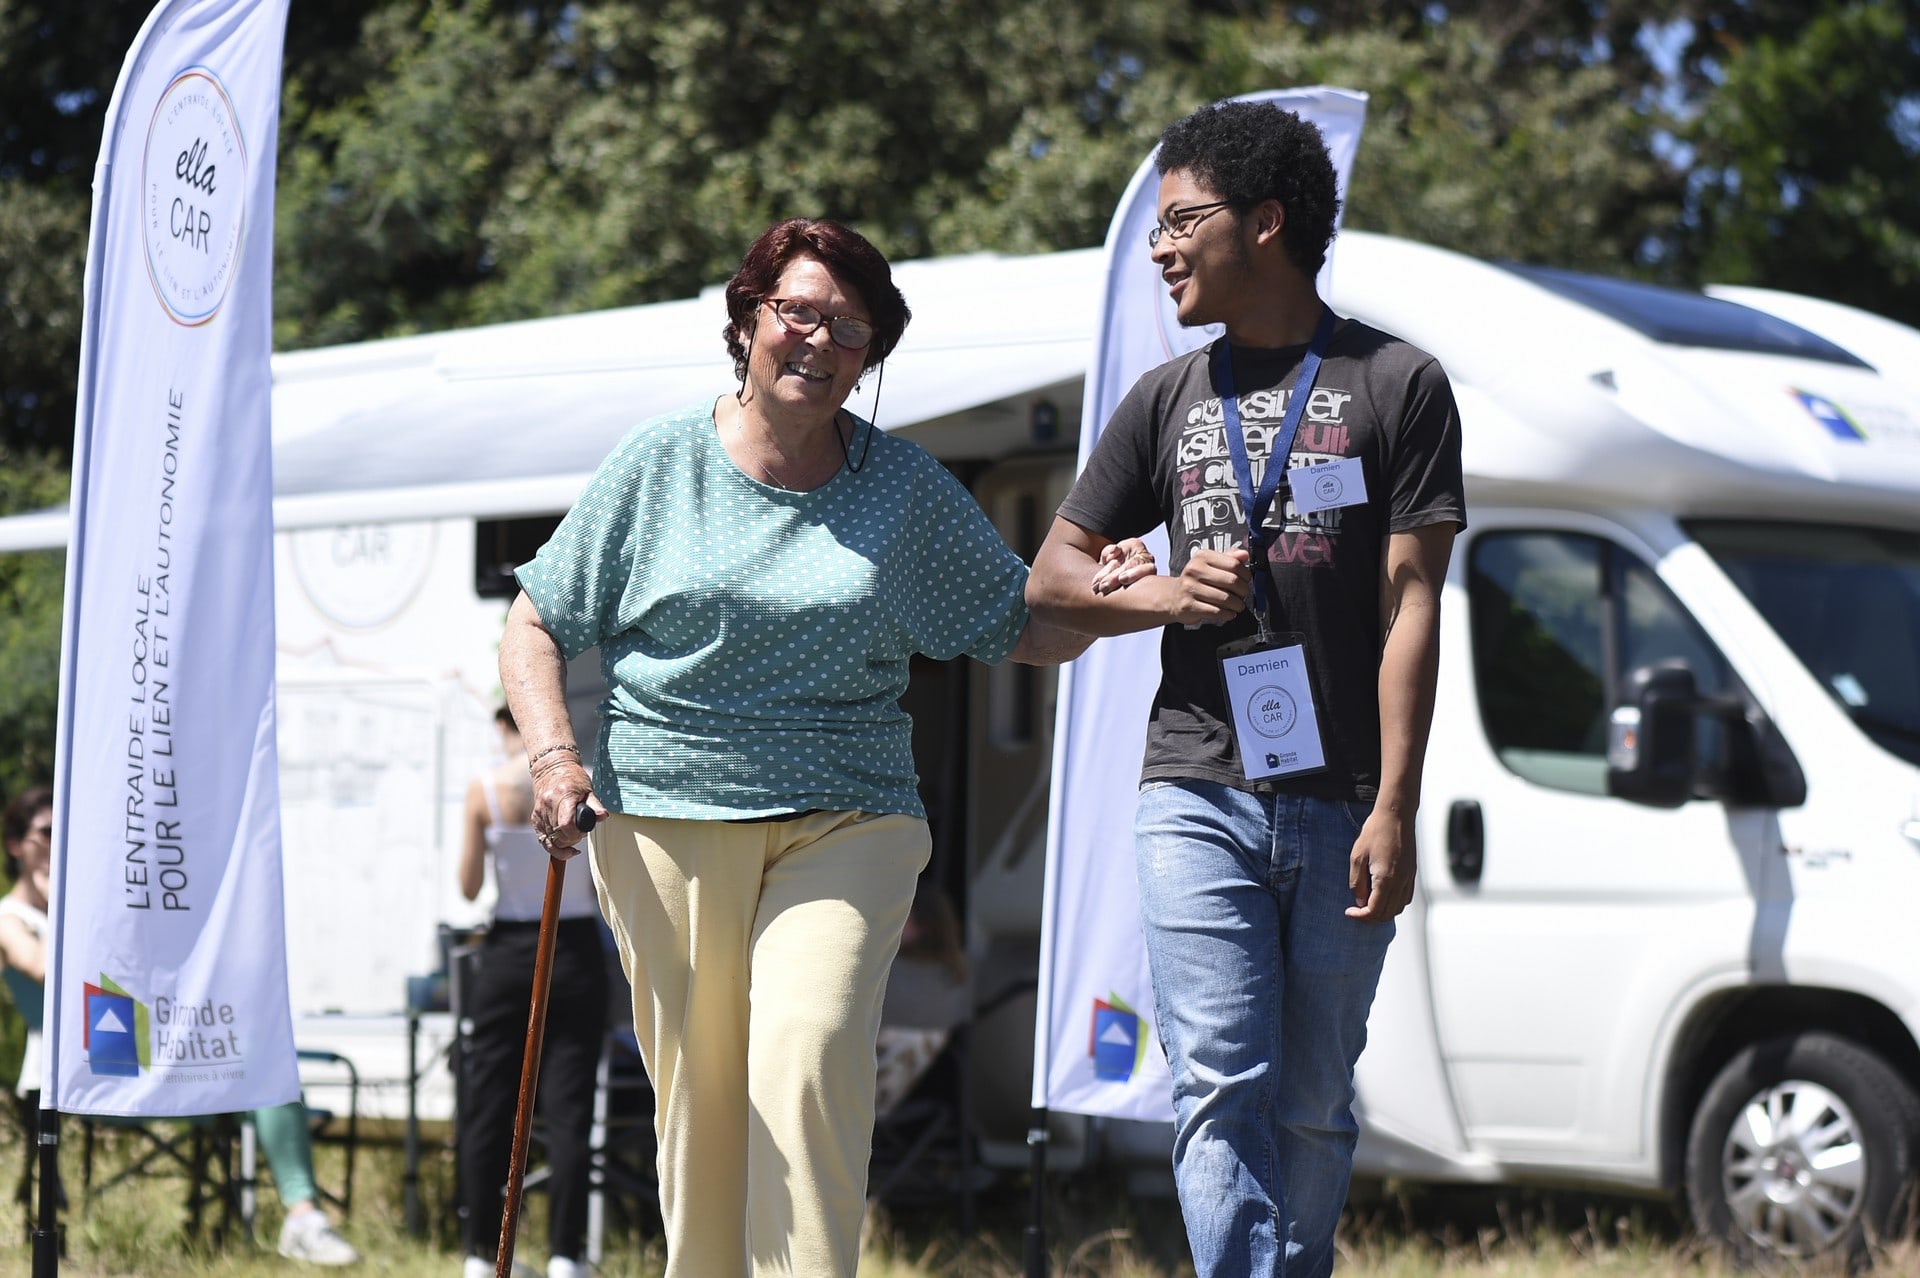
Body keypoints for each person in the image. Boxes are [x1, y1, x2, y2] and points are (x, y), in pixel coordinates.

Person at [497, 216, 1104, 1278]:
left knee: (810, 1053)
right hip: (668, 820)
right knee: (707, 1105)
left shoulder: (903, 487)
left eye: (853, 329)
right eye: (801, 313)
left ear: (871, 357)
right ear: (748, 320)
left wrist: (1152, 599)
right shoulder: (658, 465)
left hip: (849, 816)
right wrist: (554, 759)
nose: (822, 342)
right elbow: (537, 622)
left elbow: (1027, 624)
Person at [1027, 99, 1465, 1278]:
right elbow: (1044, 588)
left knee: (1316, 1102)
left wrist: (1395, 806)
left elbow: (1412, 604)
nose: (1162, 247)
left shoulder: (1399, 383)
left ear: (1265, 222)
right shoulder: (1166, 399)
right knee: (1221, 1082)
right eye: (1159, 226)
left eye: (1183, 221)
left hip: (1342, 802)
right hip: (1195, 791)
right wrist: (1159, 596)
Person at [0, 787, 359, 1267]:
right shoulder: (11, 916)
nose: (56, 842)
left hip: (130, 1054)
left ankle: (302, 1215)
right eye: (46, 832)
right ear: (16, 845)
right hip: (72, 1074)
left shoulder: (78, 909)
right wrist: (65, 902)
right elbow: (44, 969)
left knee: (260, 1058)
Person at [456, 707, 608, 1278]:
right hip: (573, 947)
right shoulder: (586, 784)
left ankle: (481, 1251)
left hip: (508, 951)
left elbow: (468, 887)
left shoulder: (485, 788)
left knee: (489, 1104)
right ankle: (566, 1255)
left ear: (504, 725)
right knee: (570, 1108)